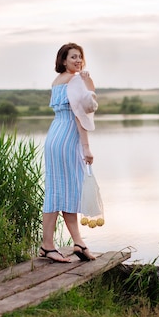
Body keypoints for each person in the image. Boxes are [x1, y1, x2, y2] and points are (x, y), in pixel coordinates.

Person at [40, 42, 97, 263]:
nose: (78, 61)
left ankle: (78, 243)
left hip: (55, 135)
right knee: (62, 191)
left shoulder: (58, 81)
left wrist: (86, 82)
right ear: (63, 60)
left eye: (80, 57)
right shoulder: (74, 80)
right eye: (73, 57)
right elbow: (82, 114)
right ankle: (48, 245)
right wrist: (86, 147)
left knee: (63, 190)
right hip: (67, 139)